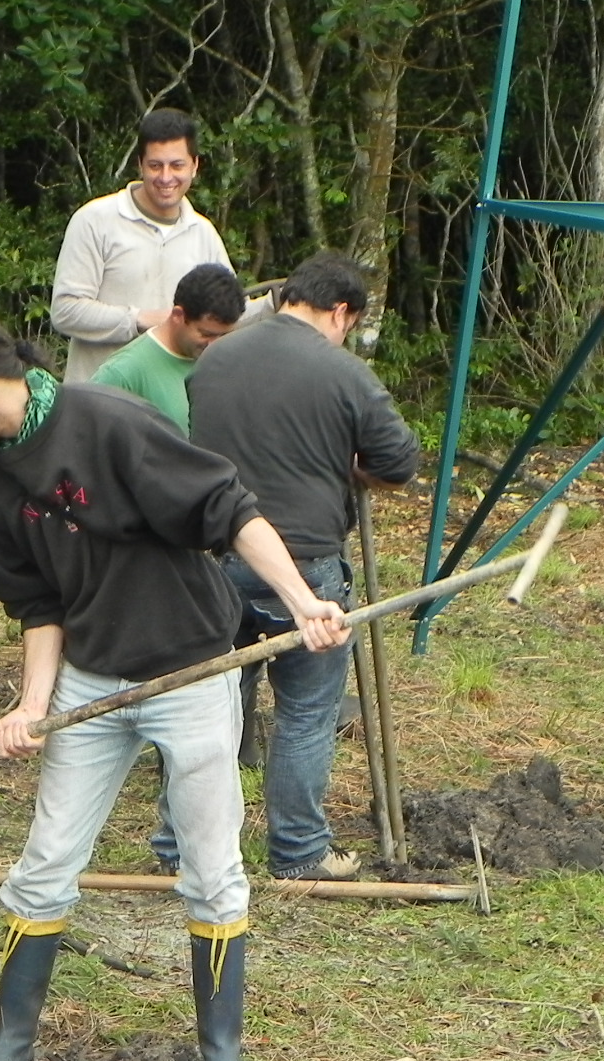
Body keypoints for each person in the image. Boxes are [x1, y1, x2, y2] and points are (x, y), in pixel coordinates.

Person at [0, 307, 348, 1061]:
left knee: (212, 869)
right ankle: (8, 1043)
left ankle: (221, 1052)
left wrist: (302, 599)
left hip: (192, 670)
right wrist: (30, 704)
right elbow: (38, 605)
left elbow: (230, 509)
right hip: (93, 680)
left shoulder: (107, 422)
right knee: (44, 866)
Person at [179, 251, 419, 881]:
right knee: (307, 712)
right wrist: (348, 464)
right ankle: (299, 850)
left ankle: (179, 846)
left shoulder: (215, 357)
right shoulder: (343, 372)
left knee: (208, 706)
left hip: (217, 559)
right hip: (307, 565)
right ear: (340, 311)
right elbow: (397, 461)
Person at [52, 109, 243, 383]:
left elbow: (229, 316)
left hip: (171, 407)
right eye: (155, 165)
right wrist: (141, 319)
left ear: (195, 165)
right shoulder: (95, 221)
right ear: (140, 164)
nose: (166, 178)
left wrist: (280, 303)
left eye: (177, 165)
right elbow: (65, 311)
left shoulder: (203, 233)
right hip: (98, 404)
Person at [91, 264, 246, 433]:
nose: (214, 345)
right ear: (178, 316)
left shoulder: (224, 361)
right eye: (206, 334)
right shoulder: (124, 372)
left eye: (223, 336)